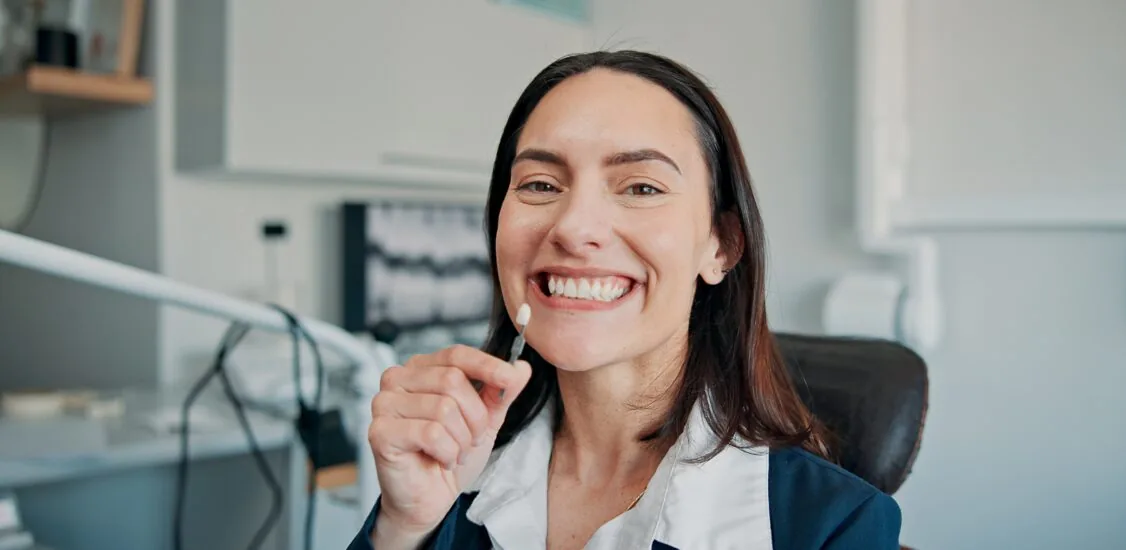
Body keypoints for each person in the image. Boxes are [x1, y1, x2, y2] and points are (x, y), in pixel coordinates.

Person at [347, 50, 901, 549]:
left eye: (641, 187)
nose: (573, 228)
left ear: (722, 245)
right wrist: (404, 530)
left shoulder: (834, 528)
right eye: (540, 184)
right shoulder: (445, 483)